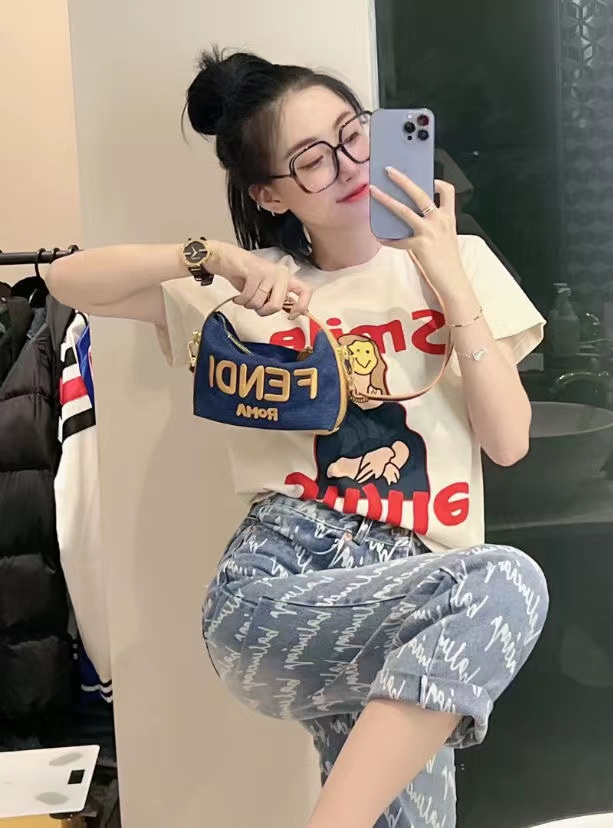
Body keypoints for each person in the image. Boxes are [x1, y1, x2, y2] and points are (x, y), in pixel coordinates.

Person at [47, 47, 549, 828]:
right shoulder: (252, 288)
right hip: (278, 579)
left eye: (354, 134)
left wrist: (448, 275)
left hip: (416, 588)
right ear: (270, 194)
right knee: (508, 583)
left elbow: (508, 442)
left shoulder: (461, 267)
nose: (350, 164)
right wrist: (211, 257)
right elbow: (68, 281)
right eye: (313, 159)